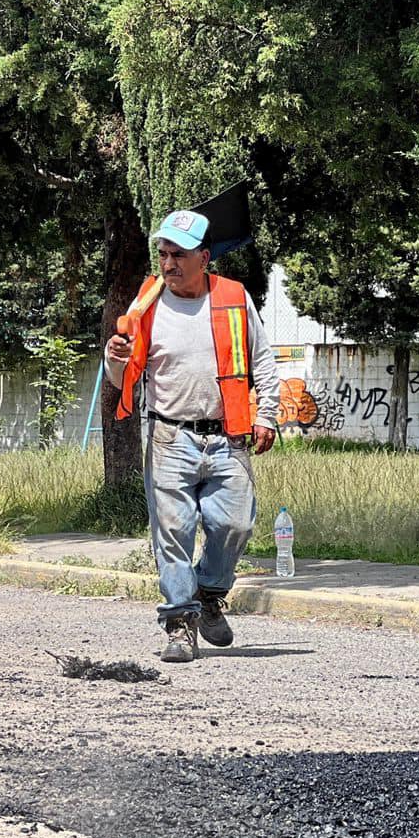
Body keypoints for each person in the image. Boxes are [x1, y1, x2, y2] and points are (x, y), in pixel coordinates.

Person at [104, 208, 280, 663]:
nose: (167, 264)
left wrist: (270, 416)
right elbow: (119, 377)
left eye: (178, 255)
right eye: (162, 254)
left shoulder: (234, 298)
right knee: (173, 534)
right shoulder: (145, 305)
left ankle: (208, 593)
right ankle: (180, 623)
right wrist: (115, 357)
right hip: (169, 436)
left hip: (228, 438)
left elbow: (263, 361)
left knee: (235, 524)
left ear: (205, 257)